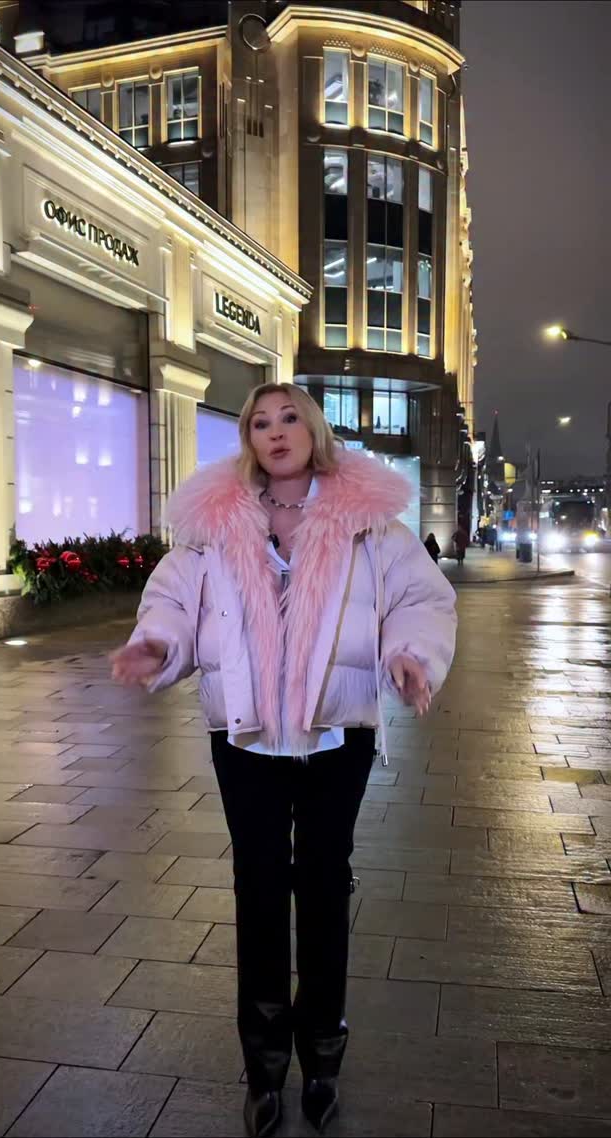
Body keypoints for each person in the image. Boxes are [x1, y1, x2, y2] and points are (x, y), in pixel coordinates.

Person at [111, 383, 456, 1138]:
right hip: (247, 740)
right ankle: (264, 1068)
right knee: (260, 891)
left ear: (314, 428)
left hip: (337, 736)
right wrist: (156, 645)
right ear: (248, 439)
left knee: (325, 887)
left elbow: (421, 601)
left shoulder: (370, 522)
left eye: (289, 417)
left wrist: (410, 655)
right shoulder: (213, 523)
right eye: (260, 422)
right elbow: (173, 601)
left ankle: (323, 1058)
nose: (275, 431)